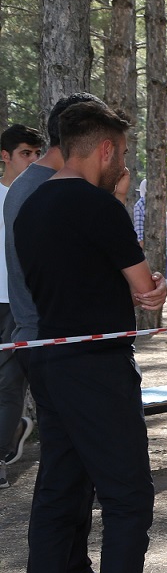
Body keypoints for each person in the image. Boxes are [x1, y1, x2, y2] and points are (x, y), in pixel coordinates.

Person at [15, 99, 167, 573]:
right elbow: (145, 289)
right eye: (124, 153)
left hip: (51, 361)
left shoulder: (29, 206)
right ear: (105, 149)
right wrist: (151, 287)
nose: (124, 164)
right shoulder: (99, 206)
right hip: (98, 364)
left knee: (61, 486)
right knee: (128, 495)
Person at [5, 94, 106, 573]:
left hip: (55, 344)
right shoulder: (40, 191)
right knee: (64, 475)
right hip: (52, 345)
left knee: (72, 469)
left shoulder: (41, 187)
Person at [0, 123, 43, 485]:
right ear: (5, 156)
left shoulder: (39, 195)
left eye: (36, 153)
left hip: (21, 303)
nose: (31, 160)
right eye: (25, 153)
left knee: (10, 384)